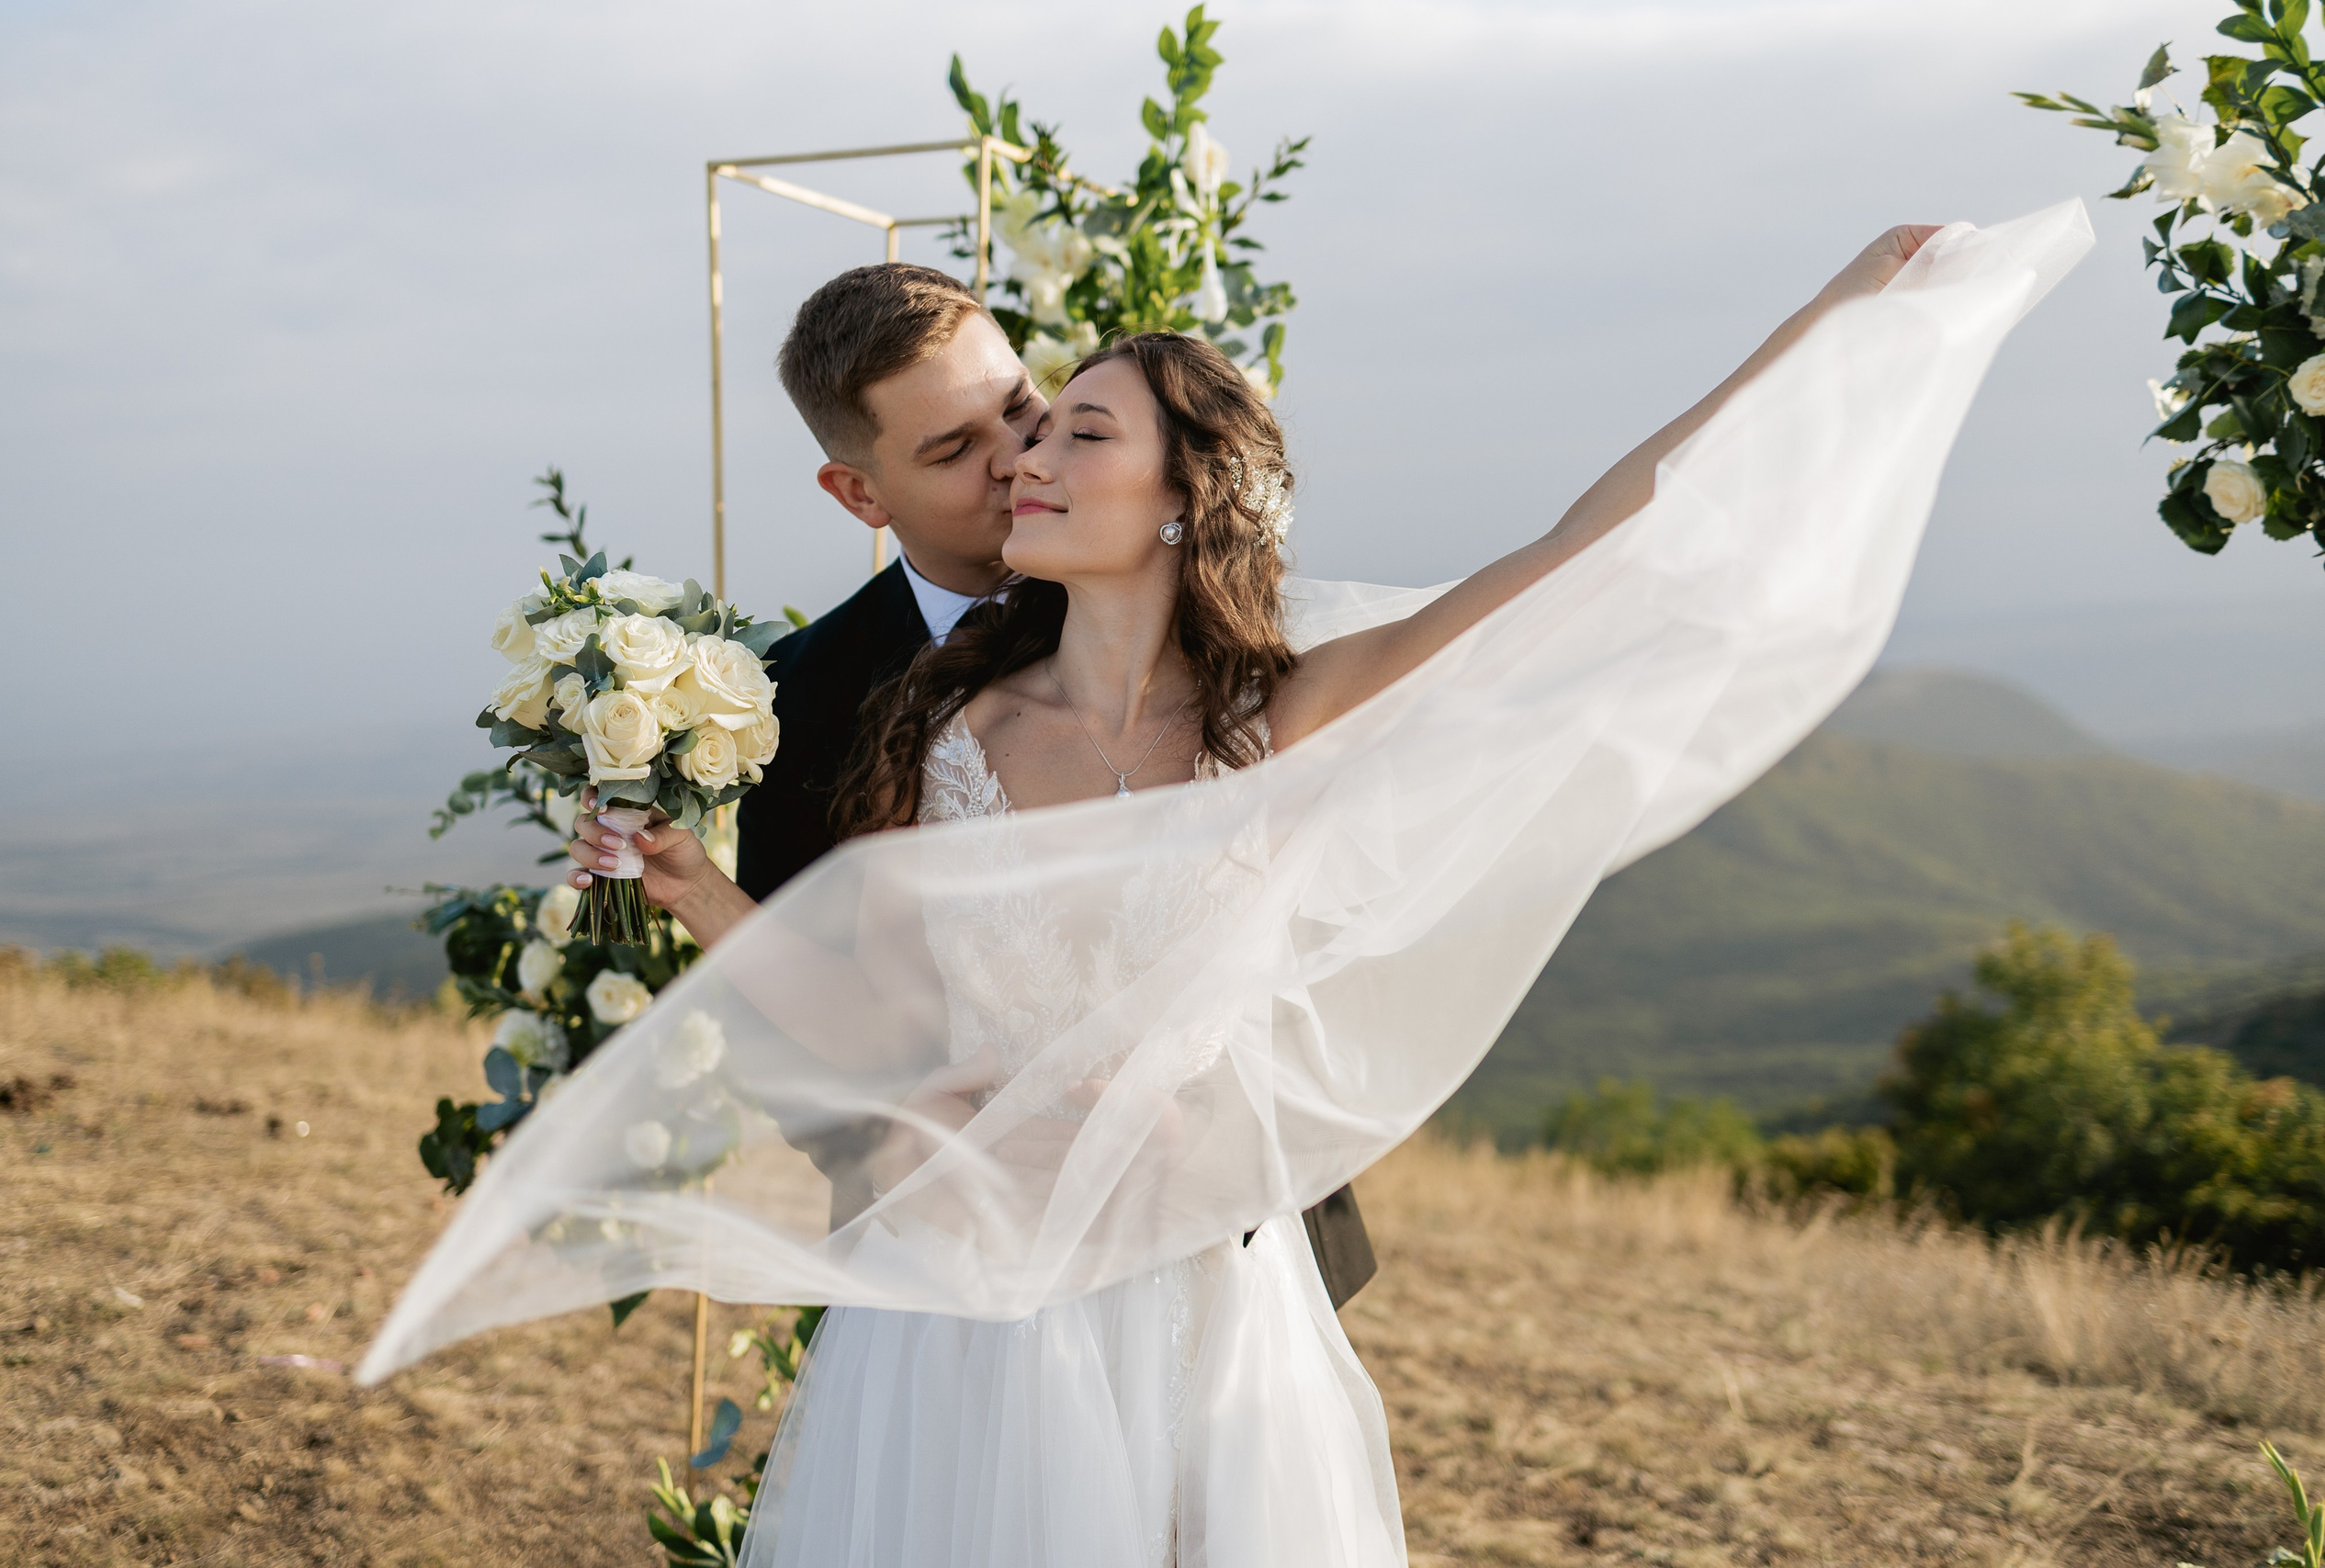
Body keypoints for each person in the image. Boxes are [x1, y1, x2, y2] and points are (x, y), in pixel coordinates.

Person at [553, 224, 1947, 1566]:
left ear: (1181, 499)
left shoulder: (1276, 714)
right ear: (863, 489)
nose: (1022, 461)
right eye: (974, 448)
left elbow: (1576, 544)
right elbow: (860, 1027)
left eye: (1054, 425)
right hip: (975, 1309)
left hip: (1212, 1289)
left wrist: (1830, 317)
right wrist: (694, 893)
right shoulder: (939, 730)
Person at [731, 261, 1378, 1303]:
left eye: (1020, 409)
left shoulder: (1217, 624)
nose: (1018, 457)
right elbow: (799, 1001)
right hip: (959, 1257)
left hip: (1235, 1236)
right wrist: (920, 1158)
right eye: (953, 450)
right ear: (860, 493)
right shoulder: (795, 702)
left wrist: (1209, 1145)